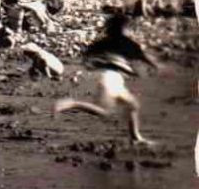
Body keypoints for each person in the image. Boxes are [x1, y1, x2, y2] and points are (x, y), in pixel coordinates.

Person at [53, 14, 161, 144]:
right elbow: (145, 58)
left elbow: (87, 59)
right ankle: (73, 103)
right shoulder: (126, 43)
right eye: (129, 28)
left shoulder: (102, 42)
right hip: (110, 79)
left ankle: (135, 137)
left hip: (111, 78)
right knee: (105, 112)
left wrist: (107, 64)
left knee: (132, 105)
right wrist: (157, 67)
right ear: (123, 29)